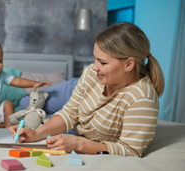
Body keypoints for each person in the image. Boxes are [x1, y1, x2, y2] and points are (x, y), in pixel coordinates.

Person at [9, 22, 165, 157]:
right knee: (25, 104)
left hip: (92, 108)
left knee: (33, 117)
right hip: (84, 89)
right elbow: (70, 113)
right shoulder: (92, 73)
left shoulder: (142, 98)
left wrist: (79, 144)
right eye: (95, 58)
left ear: (129, 65)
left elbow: (130, 150)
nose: (94, 67)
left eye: (102, 62)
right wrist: (36, 134)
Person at [0, 39, 51, 128]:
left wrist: (33, 83)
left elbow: (17, 81)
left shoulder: (1, 75)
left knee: (8, 104)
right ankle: (3, 126)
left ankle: (9, 125)